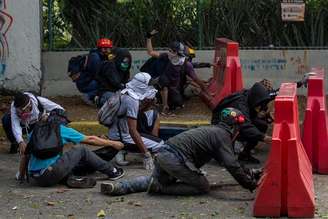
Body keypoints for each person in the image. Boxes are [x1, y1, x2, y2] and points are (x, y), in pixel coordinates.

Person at [100, 107, 262, 196]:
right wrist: (250, 185)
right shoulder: (222, 135)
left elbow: (230, 162)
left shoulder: (214, 131)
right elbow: (231, 165)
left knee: (155, 179)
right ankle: (160, 188)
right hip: (174, 159)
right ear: (234, 127)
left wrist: (249, 172)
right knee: (203, 186)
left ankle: (121, 187)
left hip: (164, 154)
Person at [17, 113, 125, 188]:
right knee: (81, 150)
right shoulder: (61, 129)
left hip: (36, 178)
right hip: (50, 174)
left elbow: (25, 155)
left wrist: (21, 177)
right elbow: (90, 139)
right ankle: (112, 171)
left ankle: (70, 178)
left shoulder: (34, 132)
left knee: (65, 160)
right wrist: (113, 143)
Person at [95, 72, 164, 170]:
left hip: (116, 131)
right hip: (123, 137)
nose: (151, 86)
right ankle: (123, 149)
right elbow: (132, 130)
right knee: (160, 145)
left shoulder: (125, 92)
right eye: (148, 84)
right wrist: (146, 154)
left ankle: (119, 145)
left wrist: (148, 103)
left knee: (153, 115)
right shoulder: (132, 100)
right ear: (141, 86)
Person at [146, 30, 207, 114]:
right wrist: (149, 37)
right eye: (169, 50)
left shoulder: (186, 64)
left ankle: (172, 103)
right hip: (164, 84)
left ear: (177, 53)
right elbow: (151, 52)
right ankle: (164, 105)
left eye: (171, 51)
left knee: (177, 103)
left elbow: (195, 79)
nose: (169, 52)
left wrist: (205, 89)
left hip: (175, 88)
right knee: (163, 81)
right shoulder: (167, 56)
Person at [211, 82, 273, 164]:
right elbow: (245, 125)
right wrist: (263, 137)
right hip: (222, 124)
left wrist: (267, 116)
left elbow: (252, 117)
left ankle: (245, 154)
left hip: (235, 121)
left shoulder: (249, 96)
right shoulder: (240, 104)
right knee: (229, 160)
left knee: (261, 125)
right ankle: (223, 155)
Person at [69, 38, 113, 105]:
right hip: (86, 83)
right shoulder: (95, 57)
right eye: (104, 48)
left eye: (108, 48)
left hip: (86, 81)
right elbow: (97, 74)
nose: (107, 50)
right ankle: (88, 95)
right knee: (104, 84)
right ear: (99, 48)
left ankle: (91, 95)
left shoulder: (102, 56)